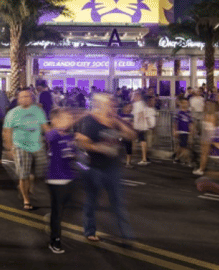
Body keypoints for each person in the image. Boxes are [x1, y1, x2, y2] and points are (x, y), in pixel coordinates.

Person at [76, 93, 136, 244]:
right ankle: (90, 230)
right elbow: (82, 142)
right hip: (94, 167)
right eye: (109, 103)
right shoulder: (90, 120)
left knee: (117, 202)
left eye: (113, 103)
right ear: (99, 104)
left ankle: (126, 234)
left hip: (112, 167)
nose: (113, 106)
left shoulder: (115, 120)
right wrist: (99, 148)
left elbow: (132, 135)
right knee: (92, 201)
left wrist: (117, 120)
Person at [3, 89, 49, 210]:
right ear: (18, 99)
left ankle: (27, 183)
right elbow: (7, 131)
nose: (24, 99)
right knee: (23, 175)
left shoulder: (38, 111)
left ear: (32, 98)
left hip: (37, 145)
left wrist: (53, 139)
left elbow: (45, 127)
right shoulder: (13, 113)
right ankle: (26, 199)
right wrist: (9, 148)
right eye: (22, 97)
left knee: (40, 172)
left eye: (27, 96)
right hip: (20, 146)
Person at [46, 107, 77, 254]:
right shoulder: (54, 135)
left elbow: (72, 154)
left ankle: (52, 221)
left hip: (69, 178)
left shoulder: (69, 137)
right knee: (58, 213)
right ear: (56, 121)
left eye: (70, 118)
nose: (69, 121)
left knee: (65, 209)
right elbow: (50, 136)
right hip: (56, 180)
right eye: (65, 118)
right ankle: (55, 241)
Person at [131, 91, 157, 166]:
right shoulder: (140, 104)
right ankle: (145, 157)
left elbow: (140, 114)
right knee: (143, 142)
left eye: (135, 96)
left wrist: (137, 126)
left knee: (143, 142)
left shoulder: (139, 104)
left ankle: (144, 158)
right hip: (141, 126)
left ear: (138, 96)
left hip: (140, 126)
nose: (133, 97)